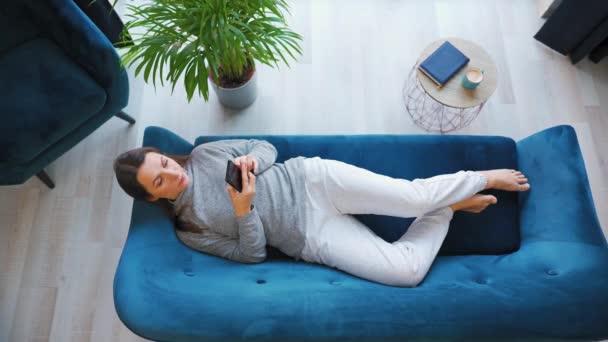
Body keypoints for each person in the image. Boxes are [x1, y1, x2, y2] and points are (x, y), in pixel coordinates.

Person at [113, 139, 530, 287]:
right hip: (309, 236)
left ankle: (482, 177)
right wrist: (244, 212)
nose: (172, 175)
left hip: (312, 180)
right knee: (406, 274)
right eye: (159, 182)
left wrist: (256, 163)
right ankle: (450, 207)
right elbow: (251, 255)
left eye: (164, 164)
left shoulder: (204, 155)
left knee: (413, 199)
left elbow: (265, 146)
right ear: (152, 198)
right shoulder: (190, 229)